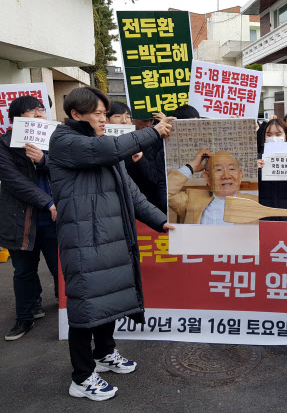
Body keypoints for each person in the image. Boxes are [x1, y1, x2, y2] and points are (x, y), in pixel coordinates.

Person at [48, 86, 175, 401]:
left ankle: (105, 354)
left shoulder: (105, 148)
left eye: (105, 113)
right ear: (76, 114)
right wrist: (153, 132)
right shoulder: (64, 141)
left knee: (108, 299)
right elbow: (106, 150)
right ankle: (81, 377)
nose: (104, 119)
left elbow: (131, 194)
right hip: (84, 241)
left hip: (112, 240)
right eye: (98, 113)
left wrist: (160, 220)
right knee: (85, 307)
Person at [0, 96, 58, 341]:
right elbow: (14, 181)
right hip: (21, 220)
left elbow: (68, 166)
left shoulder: (55, 138)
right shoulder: (4, 143)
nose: (38, 115)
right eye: (31, 111)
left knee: (61, 269)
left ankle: (66, 309)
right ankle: (25, 316)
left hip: (55, 219)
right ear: (15, 118)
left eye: (41, 110)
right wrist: (47, 201)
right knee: (23, 271)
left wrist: (44, 160)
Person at [167, 149, 258, 225]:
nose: (226, 176)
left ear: (240, 175)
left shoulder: (256, 203)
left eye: (231, 169)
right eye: (218, 170)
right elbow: (166, 192)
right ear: (207, 177)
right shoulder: (192, 199)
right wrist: (192, 167)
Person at [107, 102, 168, 212]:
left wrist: (140, 160)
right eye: (118, 117)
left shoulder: (145, 144)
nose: (124, 121)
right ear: (106, 120)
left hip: (141, 205)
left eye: (127, 117)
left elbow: (154, 179)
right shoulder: (100, 143)